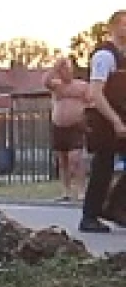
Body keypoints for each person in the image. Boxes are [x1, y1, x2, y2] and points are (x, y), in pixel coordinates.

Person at [79, 10, 126, 233]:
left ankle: (115, 206)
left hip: (121, 116)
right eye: (124, 25)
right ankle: (89, 216)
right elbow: (96, 93)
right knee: (103, 166)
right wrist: (115, 120)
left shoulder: (123, 56)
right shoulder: (105, 57)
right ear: (113, 28)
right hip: (104, 118)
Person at [46, 54, 89, 203]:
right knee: (62, 160)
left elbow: (91, 102)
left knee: (75, 159)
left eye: (68, 69)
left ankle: (81, 190)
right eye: (63, 70)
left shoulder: (82, 86)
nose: (66, 73)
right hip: (59, 127)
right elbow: (45, 81)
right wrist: (55, 67)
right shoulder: (56, 85)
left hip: (75, 127)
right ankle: (66, 191)